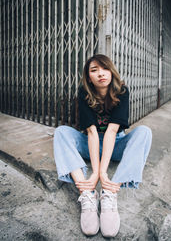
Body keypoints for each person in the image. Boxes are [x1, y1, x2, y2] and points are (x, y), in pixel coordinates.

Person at [54, 54, 152, 237]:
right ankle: (86, 191)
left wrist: (103, 173)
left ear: (111, 71)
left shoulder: (122, 92)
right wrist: (94, 174)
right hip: (89, 143)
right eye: (94, 70)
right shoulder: (84, 92)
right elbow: (91, 132)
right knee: (61, 132)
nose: (101, 73)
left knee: (144, 132)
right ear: (88, 77)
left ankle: (110, 190)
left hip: (115, 143)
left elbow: (112, 132)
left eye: (105, 68)